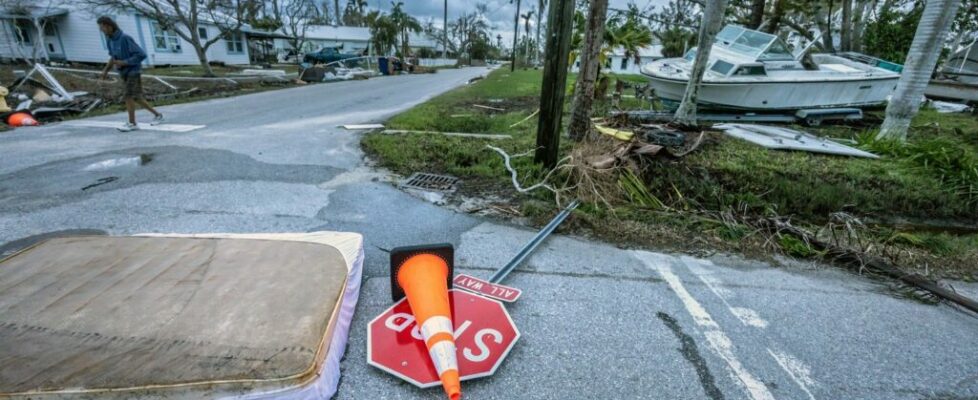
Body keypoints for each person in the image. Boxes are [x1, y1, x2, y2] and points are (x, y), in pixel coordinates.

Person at [98, 16, 163, 132]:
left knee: (128, 96)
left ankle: (132, 123)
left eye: (102, 27)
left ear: (109, 26)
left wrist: (124, 62)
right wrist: (105, 71)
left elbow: (141, 55)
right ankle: (158, 115)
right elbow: (112, 57)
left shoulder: (125, 38)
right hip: (123, 72)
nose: (101, 30)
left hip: (133, 71)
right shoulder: (109, 41)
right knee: (136, 97)